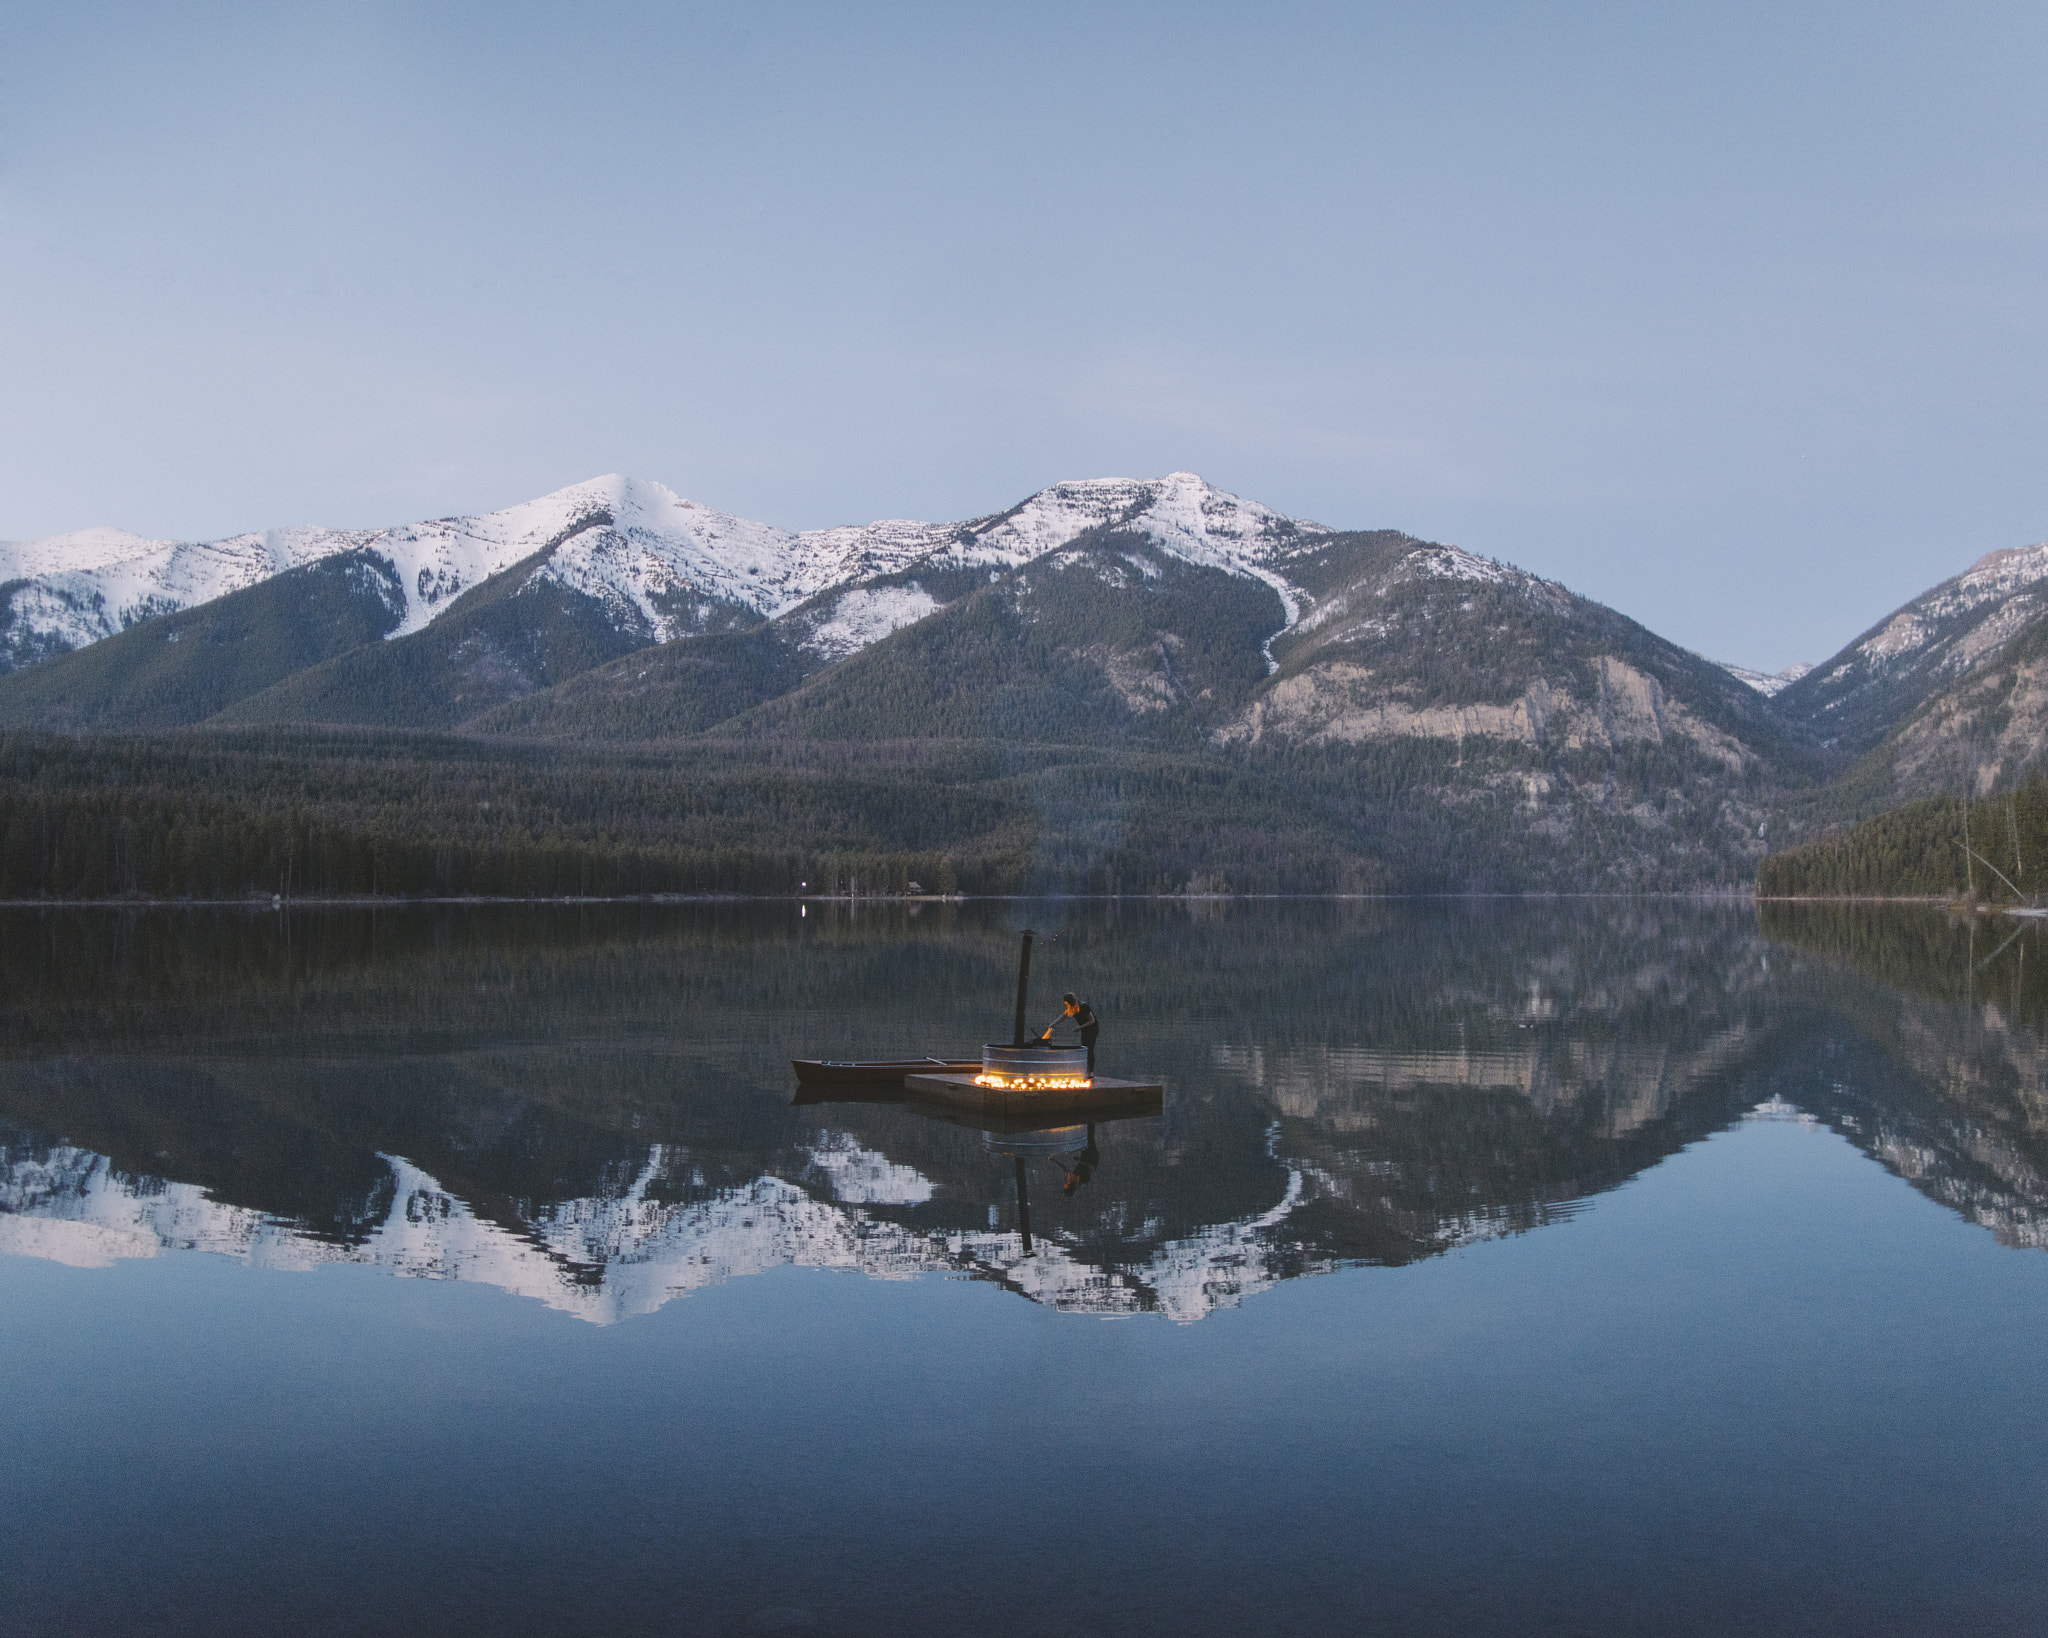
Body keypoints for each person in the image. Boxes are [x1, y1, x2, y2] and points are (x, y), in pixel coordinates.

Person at [1039, 991, 1100, 1074]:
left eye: (1067, 1003)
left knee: (1089, 1049)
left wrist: (1079, 1027)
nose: (1066, 1004)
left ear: (1071, 1002)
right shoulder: (1071, 1008)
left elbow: (1092, 1021)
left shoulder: (1083, 1006)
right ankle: (1086, 1070)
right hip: (1084, 1030)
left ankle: (1091, 1072)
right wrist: (1053, 1024)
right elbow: (1063, 1016)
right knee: (1084, 1048)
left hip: (1092, 1029)